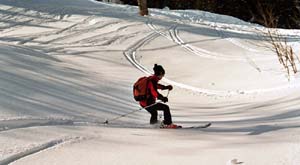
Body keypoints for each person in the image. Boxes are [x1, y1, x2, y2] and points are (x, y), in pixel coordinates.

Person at [139, 64, 180, 128]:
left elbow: (156, 86)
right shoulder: (152, 80)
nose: (163, 76)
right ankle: (168, 124)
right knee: (165, 108)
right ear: (160, 73)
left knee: (154, 113)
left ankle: (153, 126)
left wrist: (165, 87)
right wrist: (162, 98)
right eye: (163, 75)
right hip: (148, 103)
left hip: (143, 102)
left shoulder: (151, 79)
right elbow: (154, 91)